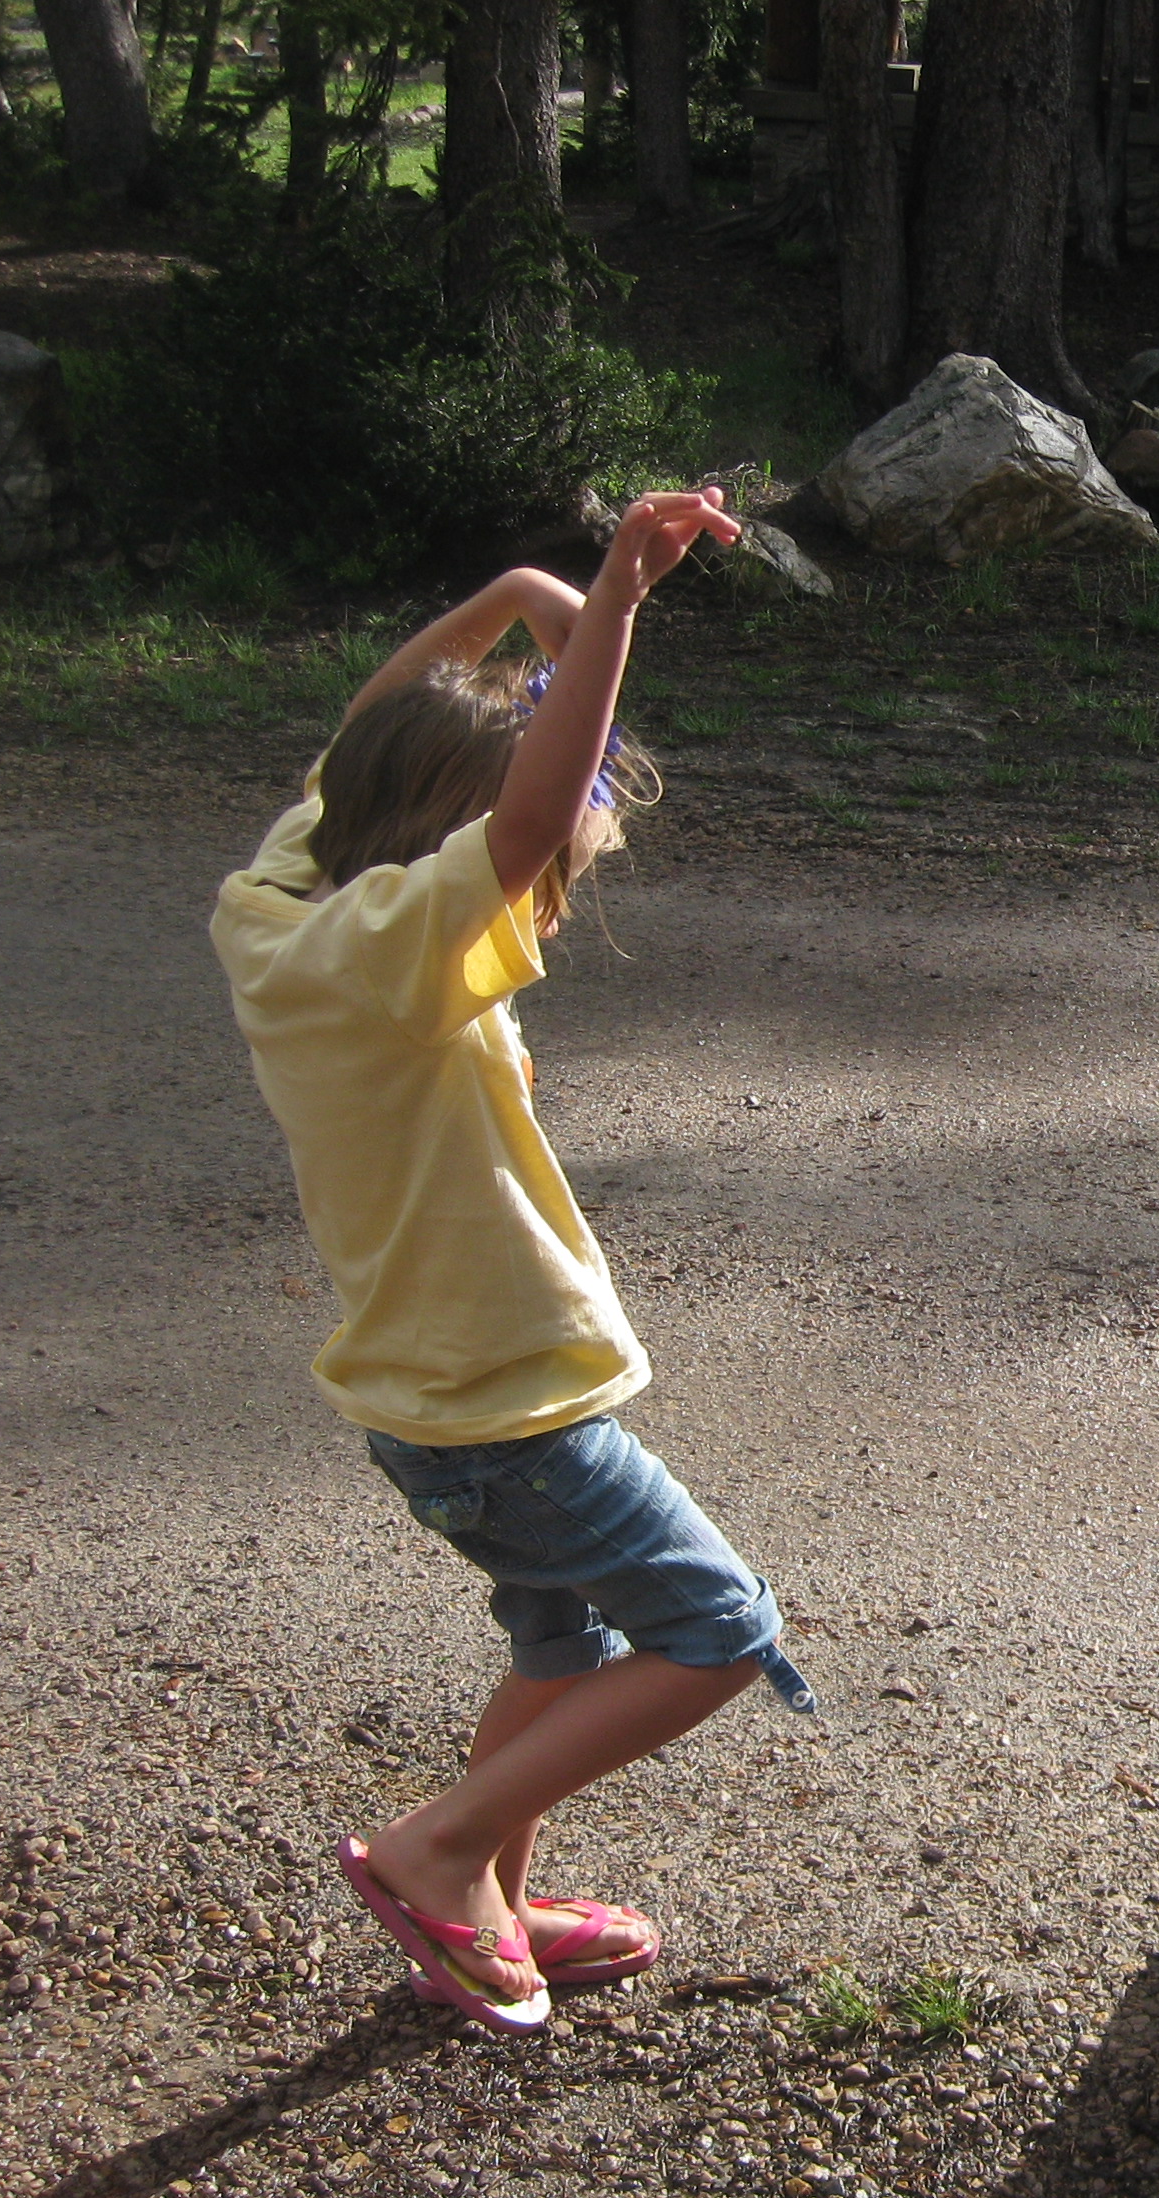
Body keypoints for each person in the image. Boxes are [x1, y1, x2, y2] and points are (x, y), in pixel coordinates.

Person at [211, 491, 815, 2037]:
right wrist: (607, 595)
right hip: (508, 1409)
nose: (555, 892)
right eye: (549, 878)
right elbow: (531, 818)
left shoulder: (286, 899)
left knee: (569, 1648)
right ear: (445, 858)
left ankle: (493, 1882)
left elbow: (367, 734)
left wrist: (514, 595)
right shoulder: (393, 951)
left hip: (431, 1403)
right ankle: (443, 1846)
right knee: (716, 1633)